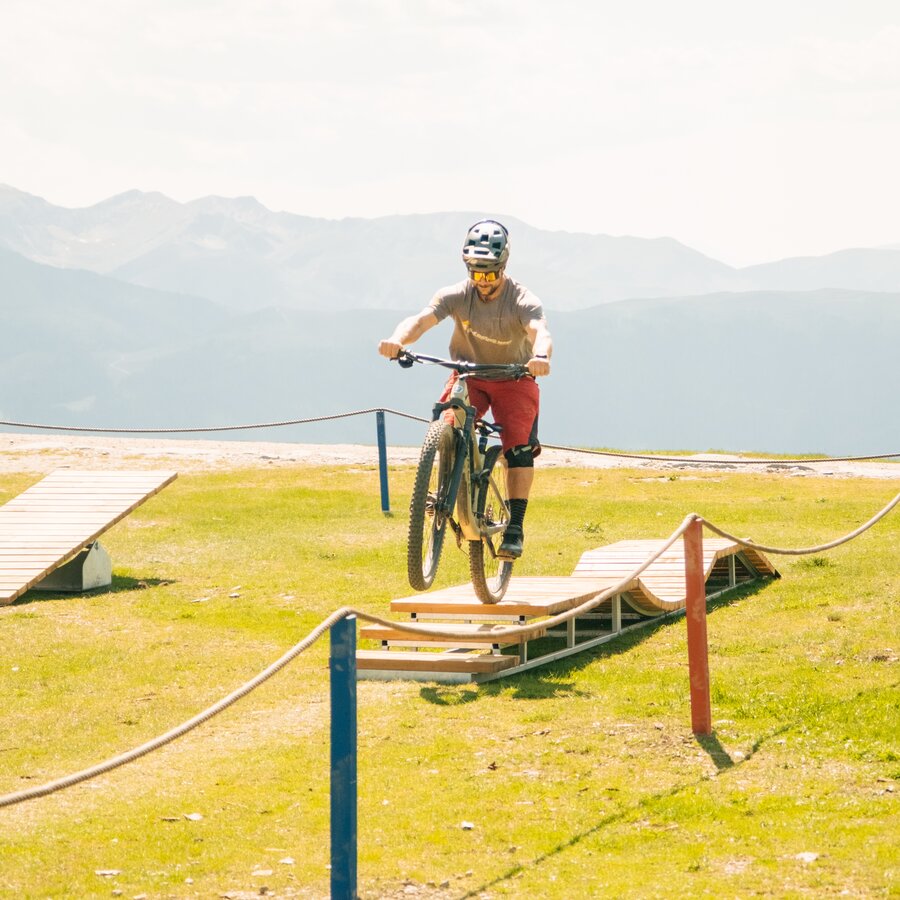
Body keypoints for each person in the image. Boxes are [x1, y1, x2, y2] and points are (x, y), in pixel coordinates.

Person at [378, 219, 553, 559]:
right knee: (446, 422)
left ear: (503, 267)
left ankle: (514, 526)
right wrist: (397, 340)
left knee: (517, 449)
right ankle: (446, 482)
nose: (482, 281)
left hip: (513, 377)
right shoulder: (456, 295)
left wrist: (541, 355)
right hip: (469, 374)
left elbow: (539, 331)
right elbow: (422, 319)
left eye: (489, 274)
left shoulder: (522, 299)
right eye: (476, 273)